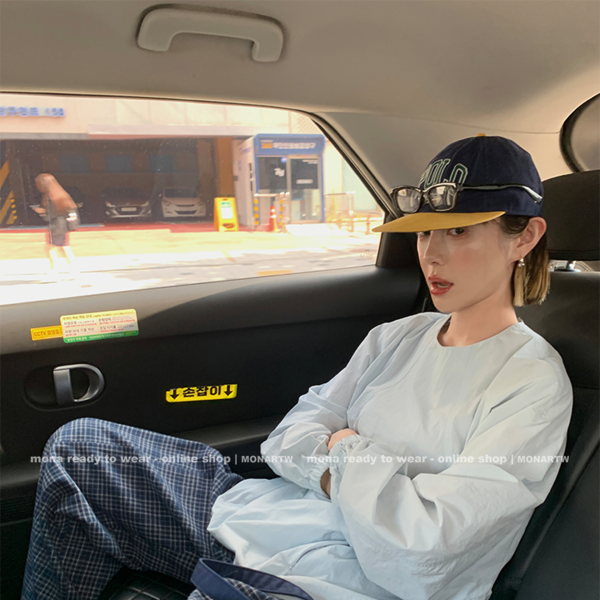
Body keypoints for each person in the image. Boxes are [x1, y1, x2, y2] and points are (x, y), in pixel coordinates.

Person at [21, 136, 573, 600]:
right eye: (426, 231)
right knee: (80, 449)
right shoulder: (398, 337)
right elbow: (288, 437)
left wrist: (343, 448)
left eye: (458, 231)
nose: (430, 254)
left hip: (339, 581)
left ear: (524, 237)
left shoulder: (531, 382)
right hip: (268, 517)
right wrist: (361, 479)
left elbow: (426, 548)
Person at [34, 173, 79, 281]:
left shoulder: (50, 198)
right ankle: (74, 271)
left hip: (56, 226)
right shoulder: (61, 194)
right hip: (64, 226)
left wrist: (42, 212)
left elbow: (50, 216)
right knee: (64, 248)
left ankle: (54, 272)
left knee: (51, 249)